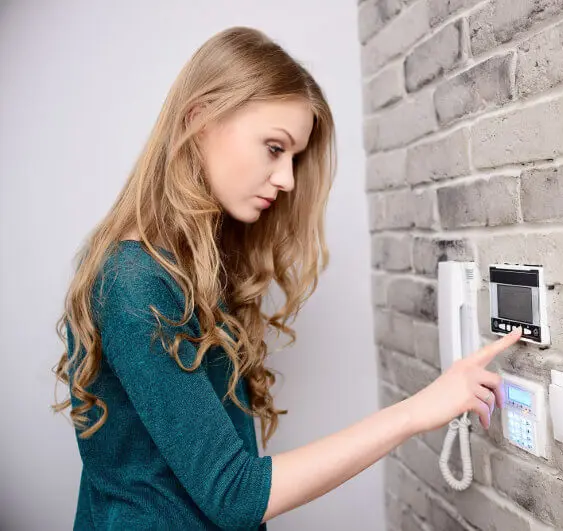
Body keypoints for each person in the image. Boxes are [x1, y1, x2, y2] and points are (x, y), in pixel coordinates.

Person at [51, 26, 522, 530]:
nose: (288, 179)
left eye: (294, 156)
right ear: (199, 118)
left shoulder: (193, 267)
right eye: (275, 148)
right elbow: (236, 494)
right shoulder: (132, 281)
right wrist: (416, 411)